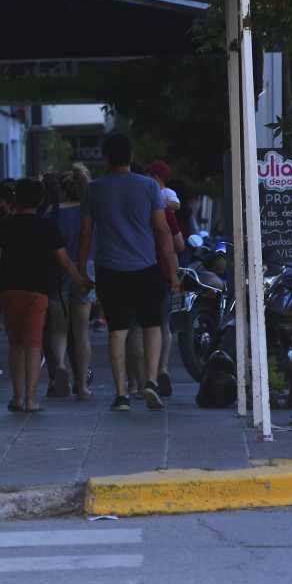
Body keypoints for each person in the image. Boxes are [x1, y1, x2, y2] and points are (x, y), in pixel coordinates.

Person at [79, 135, 179, 412]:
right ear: (130, 155)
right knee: (152, 325)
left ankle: (122, 393)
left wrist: (81, 271)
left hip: (109, 270)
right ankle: (150, 380)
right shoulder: (148, 186)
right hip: (145, 267)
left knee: (117, 331)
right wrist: (172, 271)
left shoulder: (94, 189)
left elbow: (86, 234)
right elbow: (162, 230)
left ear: (106, 157)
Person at [0, 179, 86, 413]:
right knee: (33, 344)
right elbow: (64, 261)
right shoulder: (47, 226)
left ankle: (17, 397)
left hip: (10, 290)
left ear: (15, 199)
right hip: (38, 291)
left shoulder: (4, 226)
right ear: (40, 201)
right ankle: (31, 399)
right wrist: (81, 281)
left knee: (16, 343)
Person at [45, 166, 95, 401]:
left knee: (57, 329)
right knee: (82, 331)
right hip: (86, 270)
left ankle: (60, 369)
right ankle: (83, 385)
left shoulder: (52, 212)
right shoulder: (91, 212)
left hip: (57, 272)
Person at [145, 160, 187, 397]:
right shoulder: (166, 211)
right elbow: (178, 245)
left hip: (138, 267)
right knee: (163, 324)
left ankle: (141, 378)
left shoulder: (139, 205)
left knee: (140, 326)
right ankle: (161, 369)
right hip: (164, 271)